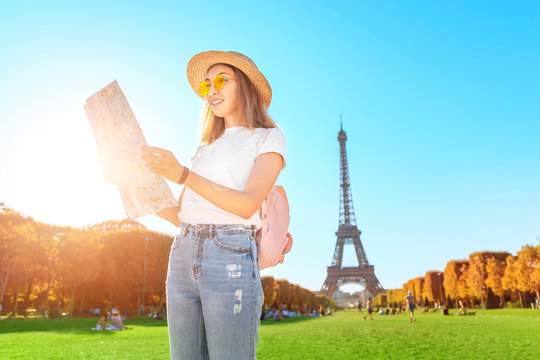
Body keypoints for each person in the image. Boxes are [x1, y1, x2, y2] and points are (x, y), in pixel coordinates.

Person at [136, 51, 286, 359]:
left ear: (244, 85)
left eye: (221, 80)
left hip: (230, 253)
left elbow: (247, 205)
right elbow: (182, 215)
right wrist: (130, 182)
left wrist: (182, 174)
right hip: (182, 253)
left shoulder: (268, 137)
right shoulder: (205, 147)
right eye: (206, 85)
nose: (211, 91)